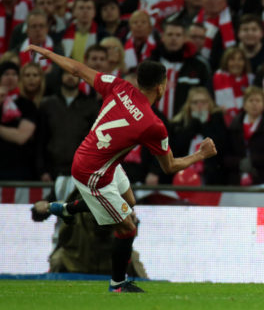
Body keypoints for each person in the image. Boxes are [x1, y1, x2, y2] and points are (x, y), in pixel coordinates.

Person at [33, 48, 217, 292]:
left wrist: (50, 54)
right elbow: (170, 165)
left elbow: (78, 70)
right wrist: (200, 155)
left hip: (97, 159)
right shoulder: (153, 125)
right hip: (92, 174)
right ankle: (117, 284)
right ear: (161, 87)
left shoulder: (118, 86)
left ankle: (66, 209)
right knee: (128, 227)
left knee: (129, 203)